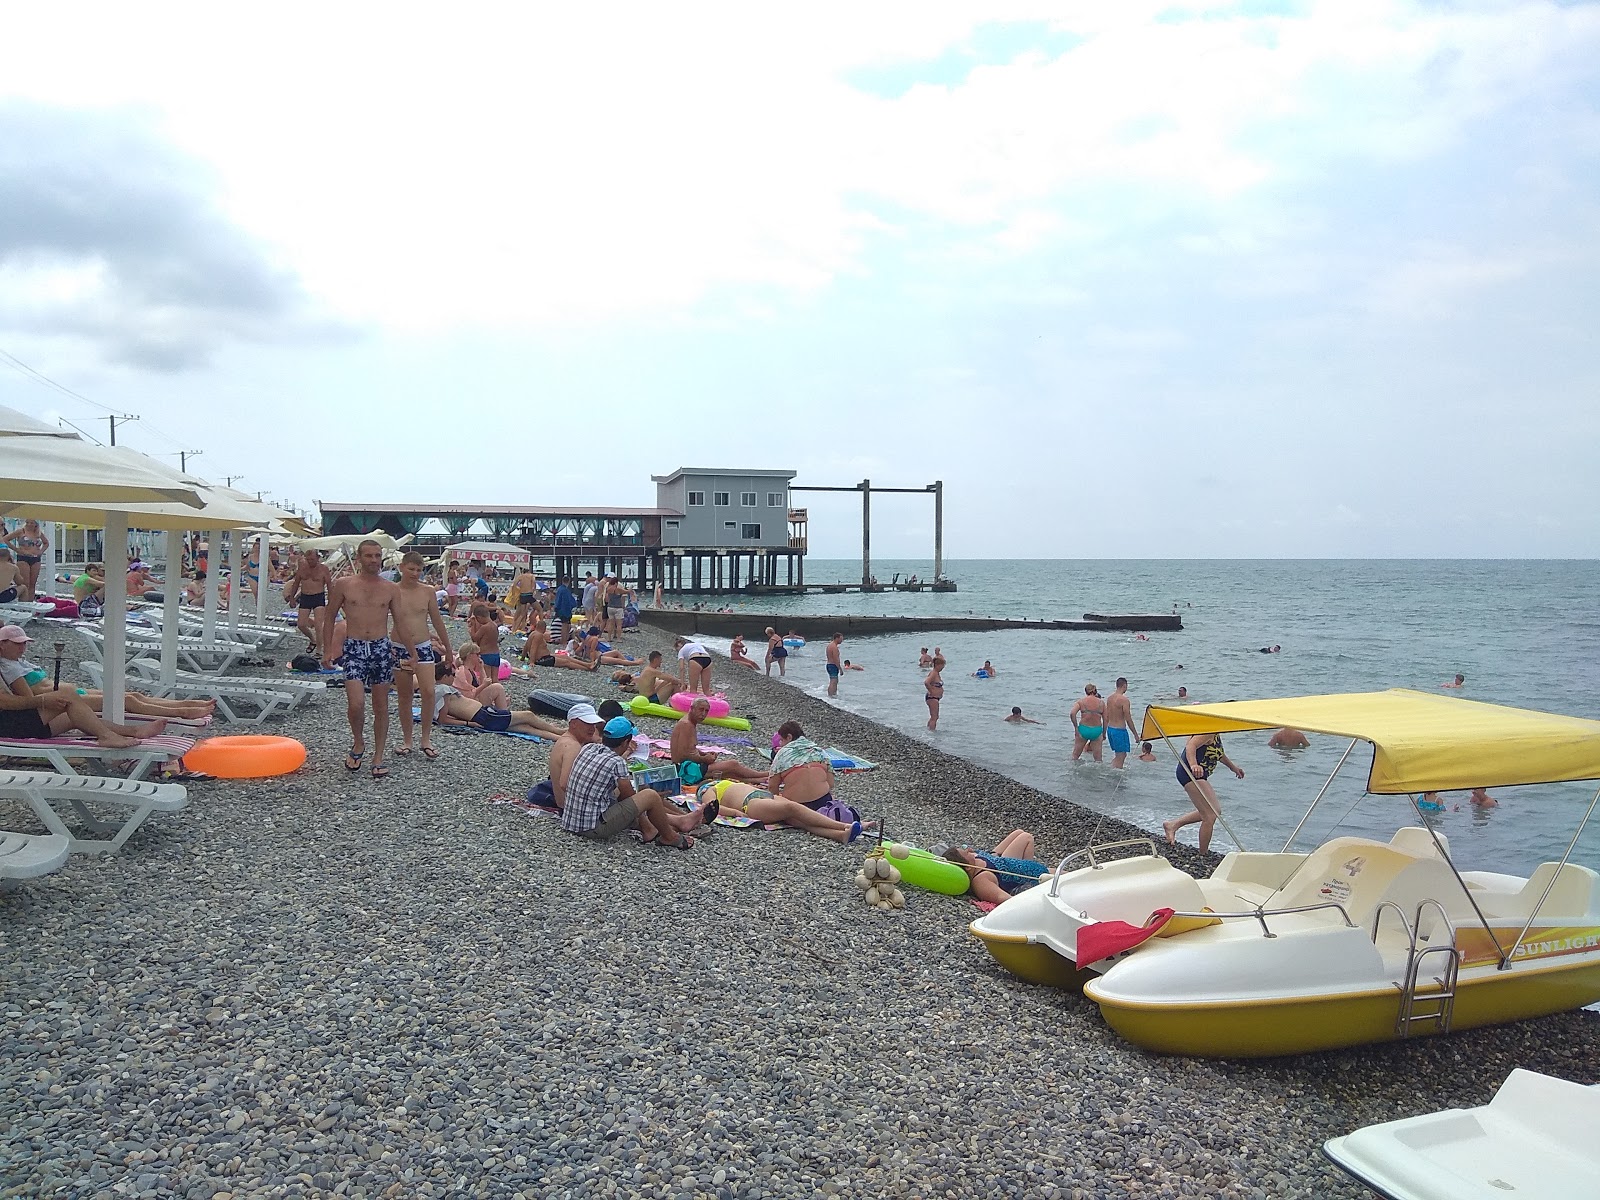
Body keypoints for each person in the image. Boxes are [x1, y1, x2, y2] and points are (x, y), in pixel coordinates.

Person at [0, 625, 170, 747]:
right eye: (17, 644)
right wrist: (42, 701)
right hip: (8, 725)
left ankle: (133, 731)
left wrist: (42, 700)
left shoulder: (10, 663)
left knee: (76, 716)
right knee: (68, 698)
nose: (22, 647)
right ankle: (106, 736)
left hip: (14, 722)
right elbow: (5, 702)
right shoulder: (7, 666)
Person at [561, 716, 715, 848]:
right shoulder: (616, 762)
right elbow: (629, 798)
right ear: (626, 742)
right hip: (591, 827)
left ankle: (675, 822)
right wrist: (651, 795)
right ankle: (669, 836)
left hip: (571, 821)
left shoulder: (589, 748)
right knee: (650, 796)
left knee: (623, 792)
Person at [323, 538, 400, 780]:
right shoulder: (344, 585)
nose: (374, 560)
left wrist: (411, 650)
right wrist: (327, 650)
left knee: (381, 706)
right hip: (355, 648)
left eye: (377, 556)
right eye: (369, 556)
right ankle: (358, 742)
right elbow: (329, 617)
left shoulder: (390, 588)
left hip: (380, 647)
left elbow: (400, 622)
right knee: (356, 704)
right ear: (359, 558)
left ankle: (378, 756)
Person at [392, 552, 455, 759]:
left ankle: (425, 739)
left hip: (423, 645)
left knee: (428, 691)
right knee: (405, 695)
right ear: (402, 567)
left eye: (419, 570)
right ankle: (407, 740)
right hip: (399, 646)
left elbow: (437, 621)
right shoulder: (392, 591)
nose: (415, 573)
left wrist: (448, 648)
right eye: (411, 569)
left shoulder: (427, 591)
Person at [694, 779, 867, 843]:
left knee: (798, 820)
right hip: (751, 803)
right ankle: (844, 825)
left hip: (763, 796)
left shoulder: (726, 782)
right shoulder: (708, 789)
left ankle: (840, 835)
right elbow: (711, 806)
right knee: (792, 808)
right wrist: (735, 812)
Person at [429, 663, 564, 738]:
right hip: (485, 716)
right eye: (452, 675)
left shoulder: (441, 690)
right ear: (444, 676)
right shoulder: (443, 690)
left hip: (484, 716)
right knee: (528, 715)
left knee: (526, 728)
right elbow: (443, 719)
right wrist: (468, 724)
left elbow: (449, 713)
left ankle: (559, 738)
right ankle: (559, 732)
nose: (454, 677)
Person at [1163, 732, 1245, 854]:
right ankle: (1203, 854)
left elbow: (1219, 754)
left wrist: (1234, 768)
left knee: (1213, 811)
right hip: (1190, 773)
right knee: (1210, 815)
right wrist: (1194, 765)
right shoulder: (1208, 731)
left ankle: (1173, 825)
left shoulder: (1215, 732)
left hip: (1196, 775)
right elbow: (1191, 746)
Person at [671, 698, 768, 787]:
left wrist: (704, 754)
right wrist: (705, 759)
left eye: (706, 711)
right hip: (685, 770)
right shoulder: (687, 725)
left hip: (687, 767)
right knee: (732, 765)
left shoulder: (689, 722)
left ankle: (758, 779)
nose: (704, 714)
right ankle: (762, 774)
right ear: (692, 708)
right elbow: (683, 755)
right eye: (701, 710)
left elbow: (689, 749)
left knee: (727, 772)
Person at [944, 831, 1052, 904]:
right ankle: (1030, 868)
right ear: (967, 867)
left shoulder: (973, 861)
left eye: (964, 847)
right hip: (1036, 876)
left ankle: (1029, 866)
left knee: (1019, 833)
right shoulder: (981, 880)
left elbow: (993, 856)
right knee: (1026, 837)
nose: (970, 850)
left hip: (1003, 862)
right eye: (966, 852)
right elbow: (1004, 899)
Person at [770, 721, 847, 814]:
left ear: (789, 737)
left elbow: (772, 786)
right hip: (822, 801)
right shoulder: (818, 751)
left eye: (782, 740)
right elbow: (830, 783)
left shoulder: (782, 753)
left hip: (796, 805)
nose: (781, 744)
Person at [541, 702, 605, 811]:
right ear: (574, 724)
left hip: (564, 804)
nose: (592, 729)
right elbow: (565, 784)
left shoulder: (565, 740)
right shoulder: (572, 746)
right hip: (572, 808)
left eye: (594, 725)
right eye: (587, 724)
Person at [283, 548, 333, 655]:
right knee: (301, 624)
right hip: (305, 596)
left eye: (312, 560)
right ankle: (313, 640)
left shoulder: (324, 569)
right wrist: (292, 598)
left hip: (318, 597)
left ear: (318, 558)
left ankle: (319, 650)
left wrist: (331, 601)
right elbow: (296, 583)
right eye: (308, 559)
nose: (310, 562)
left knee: (318, 625)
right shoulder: (303, 568)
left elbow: (329, 585)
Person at [3, 519, 48, 601]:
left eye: (31, 523)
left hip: (36, 558)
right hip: (23, 558)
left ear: (36, 524)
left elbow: (46, 543)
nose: (29, 524)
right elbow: (5, 539)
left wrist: (41, 551)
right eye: (27, 522)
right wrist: (17, 550)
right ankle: (23, 603)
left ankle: (30, 602)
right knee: (25, 583)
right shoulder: (21, 531)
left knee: (32, 584)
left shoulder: (38, 533)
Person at [452, 644, 509, 708]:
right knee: (498, 687)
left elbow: (483, 684)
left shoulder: (470, 671)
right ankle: (503, 713)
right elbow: (468, 695)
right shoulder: (463, 672)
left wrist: (481, 669)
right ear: (470, 656)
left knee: (497, 688)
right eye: (477, 654)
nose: (480, 656)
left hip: (473, 700)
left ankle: (501, 709)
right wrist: (484, 685)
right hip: (468, 704)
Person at [1104, 677, 1136, 768]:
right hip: (1119, 730)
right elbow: (1128, 718)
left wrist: (1104, 732)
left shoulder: (1109, 699)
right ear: (1124, 686)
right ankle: (1115, 776)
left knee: (1119, 755)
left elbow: (1106, 717)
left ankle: (1111, 768)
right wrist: (1135, 735)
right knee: (1121, 756)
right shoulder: (1124, 700)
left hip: (1110, 729)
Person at [1070, 683, 1107, 763]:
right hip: (1096, 731)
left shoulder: (1081, 702)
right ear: (1095, 691)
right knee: (1098, 760)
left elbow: (1072, 713)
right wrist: (1104, 733)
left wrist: (1076, 728)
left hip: (1084, 729)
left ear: (1086, 692)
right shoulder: (1101, 703)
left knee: (1075, 756)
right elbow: (1106, 719)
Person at [507, 567, 537, 633]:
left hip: (520, 596)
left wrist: (516, 592)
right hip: (525, 596)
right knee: (521, 613)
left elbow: (514, 585)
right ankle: (515, 628)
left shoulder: (520, 578)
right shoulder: (529, 577)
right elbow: (533, 586)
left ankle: (519, 627)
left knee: (521, 613)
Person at [923, 655, 945, 730]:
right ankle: (932, 732)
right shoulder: (933, 673)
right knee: (934, 717)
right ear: (938, 665)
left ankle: (929, 731)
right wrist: (931, 691)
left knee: (934, 717)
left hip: (934, 698)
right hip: (932, 698)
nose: (943, 667)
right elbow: (926, 682)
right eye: (942, 666)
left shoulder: (936, 673)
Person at [825, 632, 844, 696]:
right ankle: (831, 696)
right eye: (841, 639)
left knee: (833, 681)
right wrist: (840, 669)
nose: (842, 640)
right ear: (837, 638)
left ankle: (833, 695)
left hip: (829, 664)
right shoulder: (834, 647)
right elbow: (836, 659)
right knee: (833, 681)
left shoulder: (830, 645)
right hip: (833, 665)